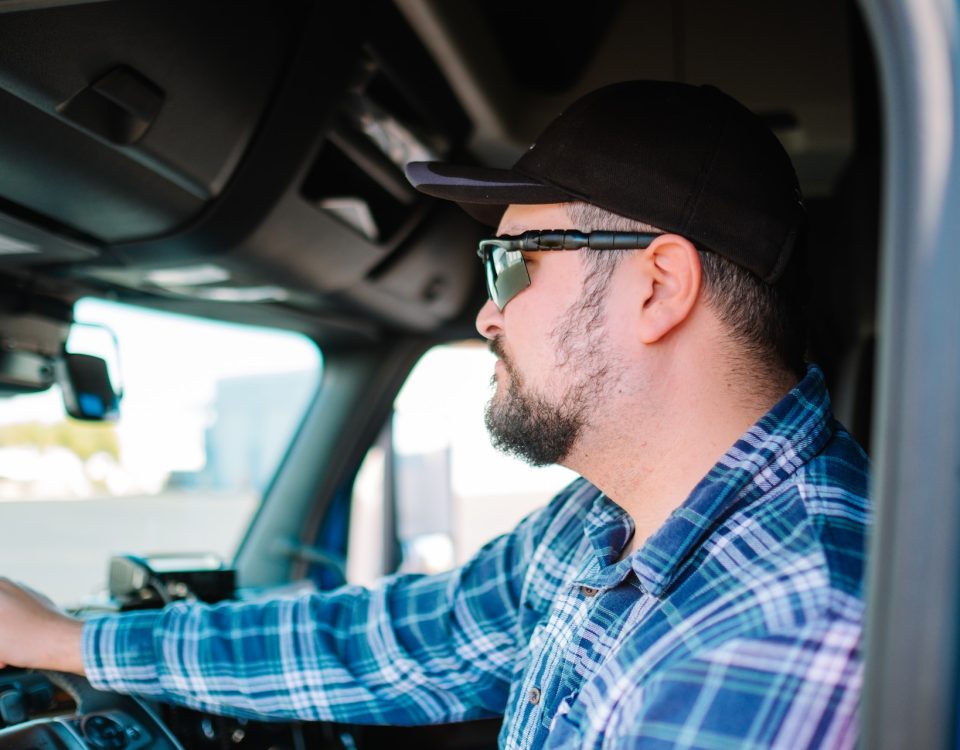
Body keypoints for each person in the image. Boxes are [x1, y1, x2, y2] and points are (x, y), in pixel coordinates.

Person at [0, 81, 868, 749]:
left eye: (514, 264)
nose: (488, 314)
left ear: (658, 287)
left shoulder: (784, 627)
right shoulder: (606, 518)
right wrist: (69, 640)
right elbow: (398, 643)